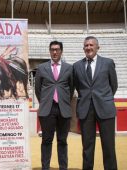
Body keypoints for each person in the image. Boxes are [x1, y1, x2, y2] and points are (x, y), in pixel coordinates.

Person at [73, 36, 118, 170]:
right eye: (86, 45)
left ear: (98, 47)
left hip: (105, 108)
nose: (89, 47)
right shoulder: (76, 66)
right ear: (83, 48)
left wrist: (104, 98)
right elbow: (76, 86)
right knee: (87, 146)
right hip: (85, 109)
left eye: (91, 45)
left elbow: (113, 85)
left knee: (109, 145)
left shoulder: (108, 63)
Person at [35, 41, 74, 170]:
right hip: (48, 109)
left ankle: (63, 167)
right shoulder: (41, 68)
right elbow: (37, 89)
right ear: (49, 51)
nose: (55, 52)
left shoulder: (69, 68)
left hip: (63, 108)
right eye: (52, 49)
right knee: (46, 140)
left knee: (62, 141)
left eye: (57, 49)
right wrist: (46, 101)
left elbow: (71, 87)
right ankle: (45, 167)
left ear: (61, 51)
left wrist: (64, 101)